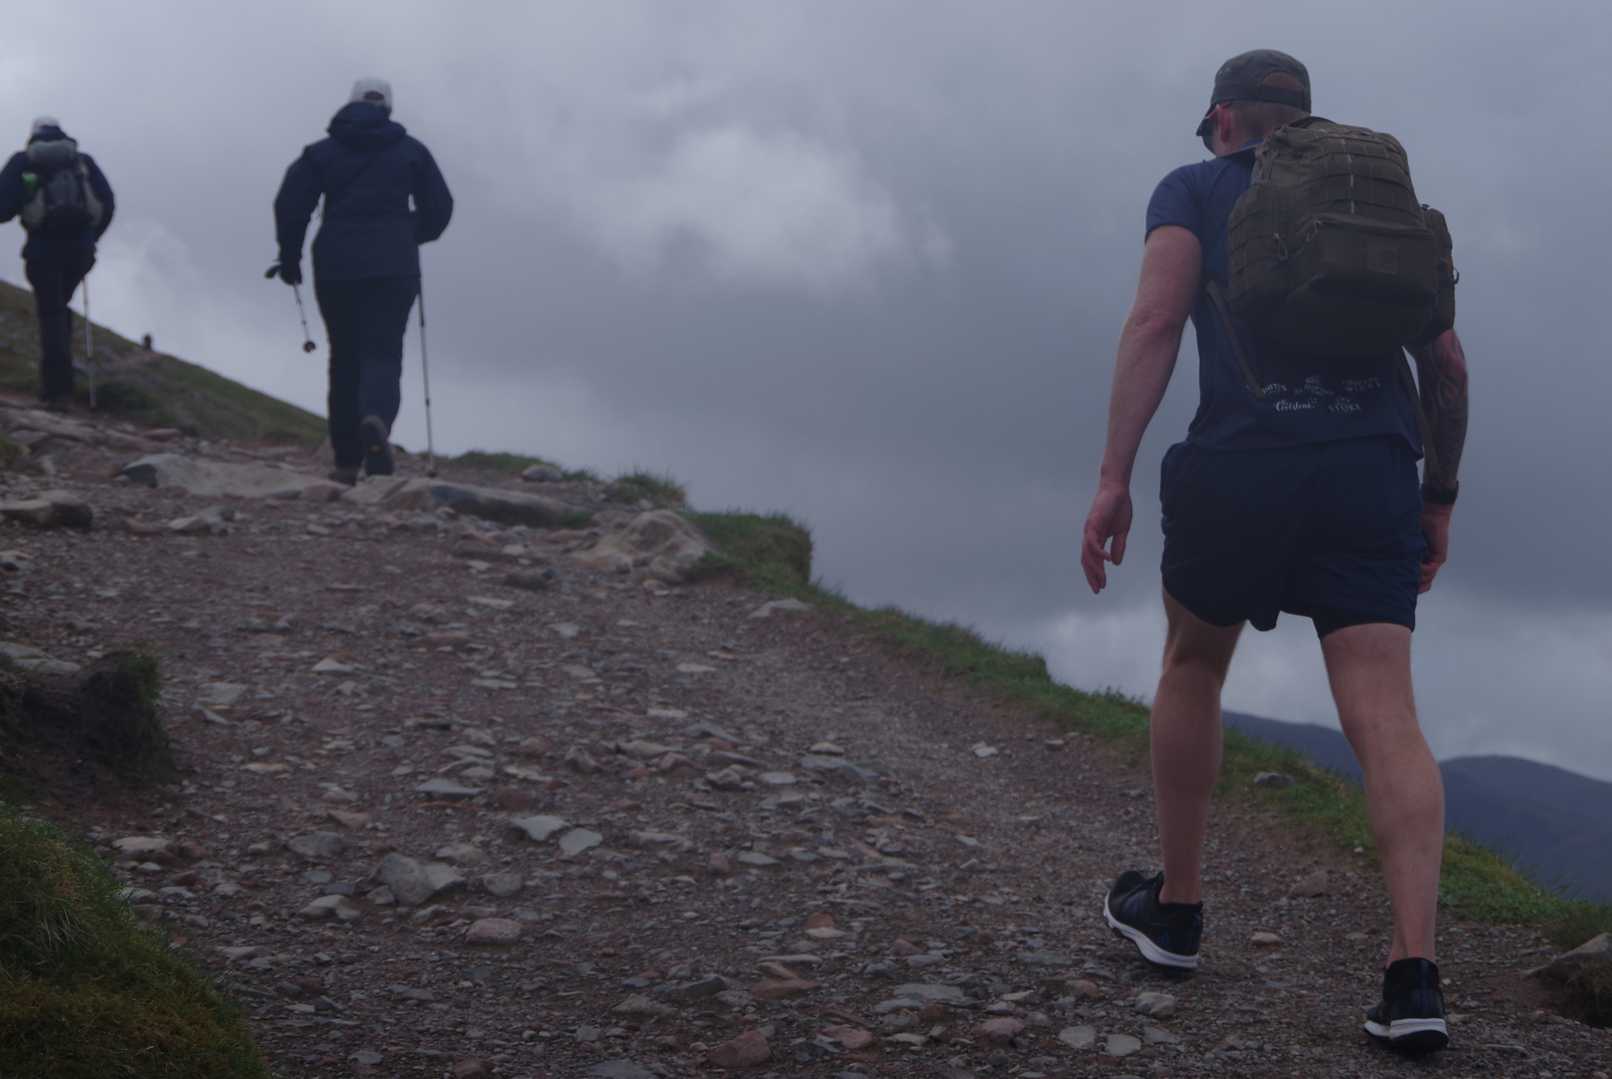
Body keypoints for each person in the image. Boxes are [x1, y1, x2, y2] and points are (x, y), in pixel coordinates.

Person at [1080, 50, 1469, 1055]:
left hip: (1239, 467)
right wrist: (1437, 495)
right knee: (1385, 712)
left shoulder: (1195, 188)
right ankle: (1413, 975)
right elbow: (1444, 360)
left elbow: (1156, 319)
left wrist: (1114, 475)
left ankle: (1176, 908)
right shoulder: (1371, 200)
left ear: (1223, 119)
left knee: (1193, 664)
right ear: (1302, 120)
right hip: (1371, 471)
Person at [273, 78, 453, 485]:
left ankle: (346, 461)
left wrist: (289, 256)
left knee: (344, 358)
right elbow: (440, 208)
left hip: (336, 263)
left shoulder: (321, 153)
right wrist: (410, 233)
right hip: (393, 266)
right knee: (383, 353)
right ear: (388, 108)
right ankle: (376, 420)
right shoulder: (412, 151)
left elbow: (291, 205)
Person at [0, 117, 115, 410]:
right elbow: (108, 203)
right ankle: (63, 382)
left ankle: (57, 391)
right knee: (59, 307)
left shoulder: (24, 162)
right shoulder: (82, 161)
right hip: (80, 253)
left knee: (50, 312)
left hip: (43, 250)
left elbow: (3, 208)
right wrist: (91, 238)